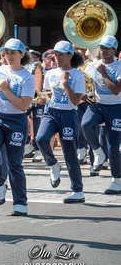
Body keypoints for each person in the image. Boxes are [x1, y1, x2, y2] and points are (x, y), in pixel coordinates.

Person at [0, 38, 34, 216]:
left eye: (12, 53)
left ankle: (20, 202)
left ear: (21, 54)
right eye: (6, 53)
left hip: (16, 121)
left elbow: (24, 106)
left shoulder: (27, 77)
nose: (8, 56)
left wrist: (6, 90)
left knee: (14, 164)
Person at [35, 41, 86, 203]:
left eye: (61, 55)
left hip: (69, 115)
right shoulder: (50, 73)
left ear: (70, 56)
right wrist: (44, 99)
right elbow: (49, 94)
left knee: (70, 153)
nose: (57, 58)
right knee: (40, 139)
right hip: (51, 112)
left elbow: (76, 101)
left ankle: (78, 191)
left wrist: (65, 84)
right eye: (55, 55)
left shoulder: (77, 75)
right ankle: (53, 165)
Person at [81, 35, 121, 194]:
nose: (102, 50)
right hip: (98, 105)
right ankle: (98, 152)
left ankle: (117, 181)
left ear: (114, 50)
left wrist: (104, 73)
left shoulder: (119, 66)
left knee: (113, 147)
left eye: (106, 48)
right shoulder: (93, 65)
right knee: (85, 124)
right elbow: (87, 83)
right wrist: (83, 93)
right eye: (101, 47)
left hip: (116, 107)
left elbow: (117, 90)